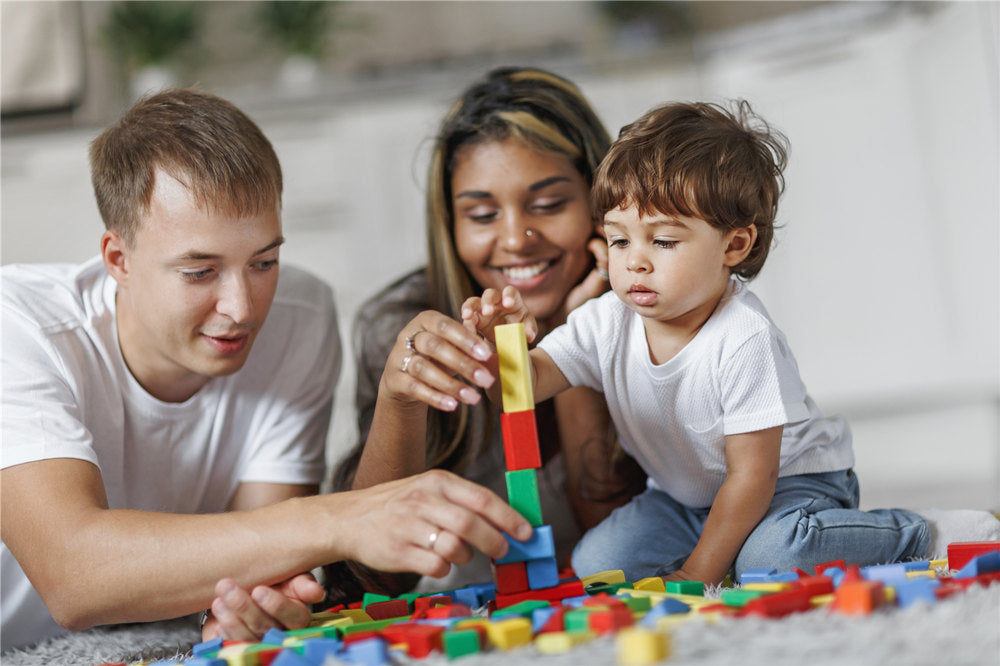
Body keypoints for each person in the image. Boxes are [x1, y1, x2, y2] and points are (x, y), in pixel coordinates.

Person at [0, 88, 532, 652]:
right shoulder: (21, 325)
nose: (244, 308)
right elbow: (74, 574)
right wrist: (343, 517)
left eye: (264, 262)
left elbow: (264, 559)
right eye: (200, 272)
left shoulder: (301, 316)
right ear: (118, 261)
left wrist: (241, 609)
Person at [462, 100, 999, 585]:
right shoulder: (604, 321)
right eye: (619, 239)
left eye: (664, 240)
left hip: (790, 487)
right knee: (598, 565)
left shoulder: (743, 337)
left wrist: (700, 571)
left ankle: (921, 531)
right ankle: (723, 546)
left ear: (734, 245)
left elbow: (752, 475)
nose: (634, 261)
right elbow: (521, 390)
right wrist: (498, 345)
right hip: (684, 498)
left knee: (775, 558)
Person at [320, 66, 647, 602]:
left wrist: (575, 331)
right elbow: (372, 582)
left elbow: (621, 557)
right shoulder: (402, 330)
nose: (516, 239)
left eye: (548, 205)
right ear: (450, 225)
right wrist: (397, 400)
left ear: (601, 199)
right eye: (481, 213)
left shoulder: (654, 315)